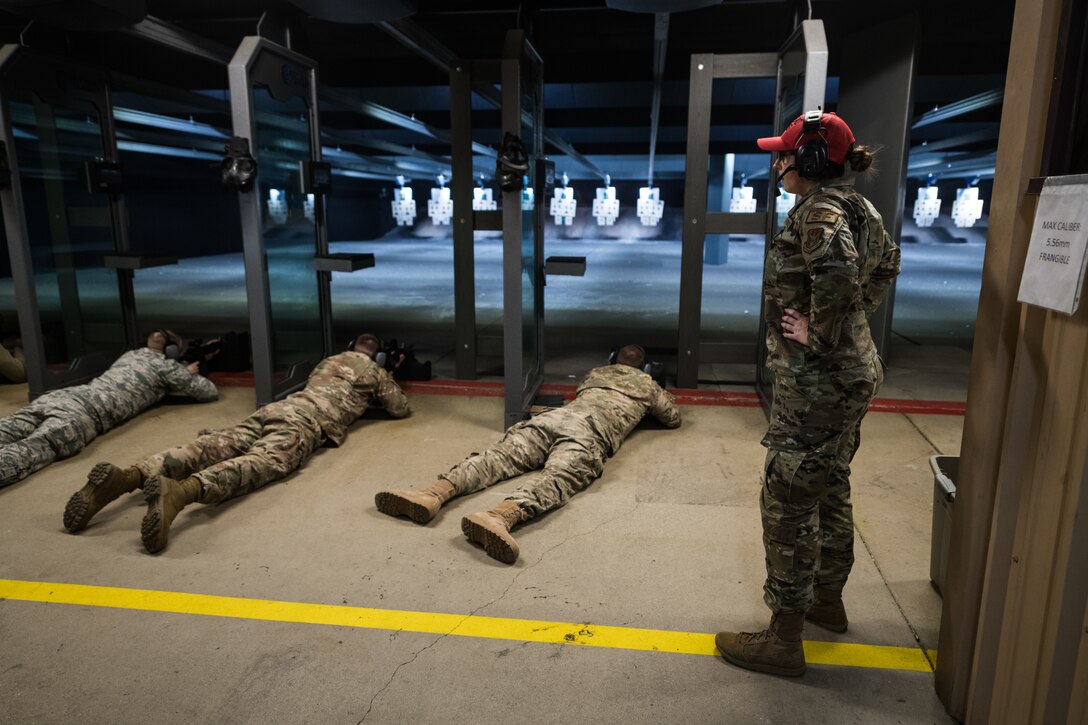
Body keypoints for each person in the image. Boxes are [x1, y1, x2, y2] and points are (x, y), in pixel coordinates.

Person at [714, 111, 901, 677]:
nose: (777, 164)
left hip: (819, 383)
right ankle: (826, 602)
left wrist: (818, 332)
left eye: (785, 154)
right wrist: (848, 324)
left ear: (814, 159)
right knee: (830, 487)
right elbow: (888, 263)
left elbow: (841, 272)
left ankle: (784, 639)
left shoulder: (819, 210)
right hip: (851, 376)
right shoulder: (857, 206)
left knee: (788, 502)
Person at [63, 333, 410, 554]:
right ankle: (181, 493)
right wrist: (390, 375)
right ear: (377, 357)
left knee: (209, 446)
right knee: (262, 463)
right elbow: (399, 409)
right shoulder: (374, 373)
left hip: (274, 409)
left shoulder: (329, 361)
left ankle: (127, 476)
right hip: (306, 422)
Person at [374, 344, 681, 564]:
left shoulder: (596, 373)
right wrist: (654, 390)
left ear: (613, 359)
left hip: (551, 418)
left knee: (497, 458)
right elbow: (672, 418)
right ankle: (498, 517)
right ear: (646, 367)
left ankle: (432, 494)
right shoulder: (648, 384)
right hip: (590, 431)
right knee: (559, 477)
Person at [0, 330, 218, 488]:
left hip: (57, 397)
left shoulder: (129, 355)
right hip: (82, 415)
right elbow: (208, 392)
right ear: (170, 351)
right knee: (28, 452)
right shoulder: (166, 366)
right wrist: (187, 372)